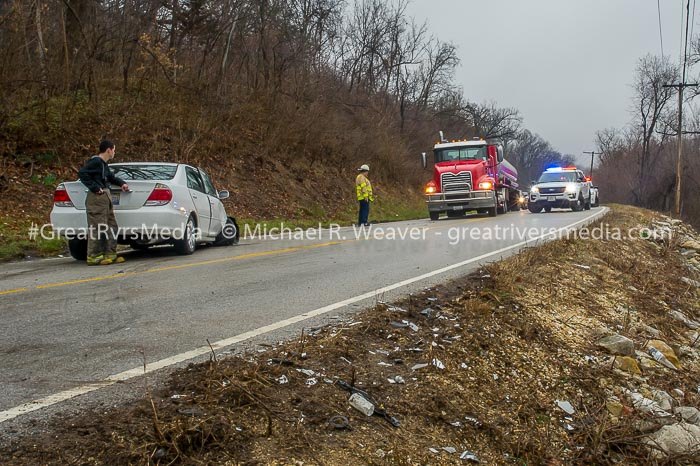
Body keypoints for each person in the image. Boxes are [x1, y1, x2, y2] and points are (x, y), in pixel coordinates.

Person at [78, 140, 130, 265]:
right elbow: (82, 173)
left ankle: (110, 254)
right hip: (97, 198)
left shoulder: (103, 164)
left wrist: (121, 183)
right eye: (114, 150)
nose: (114, 152)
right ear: (108, 150)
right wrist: (95, 187)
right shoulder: (95, 162)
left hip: (106, 197)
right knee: (98, 227)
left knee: (112, 226)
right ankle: (94, 256)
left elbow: (111, 177)